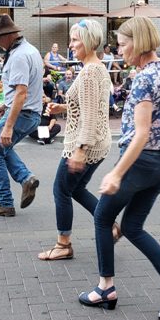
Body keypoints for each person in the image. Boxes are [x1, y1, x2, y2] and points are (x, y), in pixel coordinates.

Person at [79, 16, 160, 320]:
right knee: (132, 227)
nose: (119, 51)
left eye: (121, 44)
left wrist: (117, 173)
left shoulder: (145, 77)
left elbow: (142, 132)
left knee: (103, 217)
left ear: (138, 42)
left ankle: (106, 287)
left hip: (140, 162)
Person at [37, 19, 112, 261]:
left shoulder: (90, 72)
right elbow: (90, 106)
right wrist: (63, 106)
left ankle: (63, 244)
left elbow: (90, 116)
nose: (71, 45)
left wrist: (80, 149)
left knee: (61, 190)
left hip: (86, 142)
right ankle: (110, 226)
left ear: (89, 42)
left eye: (75, 40)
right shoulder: (97, 67)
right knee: (76, 188)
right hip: (99, 141)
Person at [0, 14, 44, 216]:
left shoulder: (18, 56)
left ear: (7, 35)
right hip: (30, 113)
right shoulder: (31, 51)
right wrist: (5, 103)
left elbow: (21, 92)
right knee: (3, 151)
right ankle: (26, 179)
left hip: (21, 113)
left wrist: (8, 125)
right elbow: (26, 89)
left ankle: (5, 203)